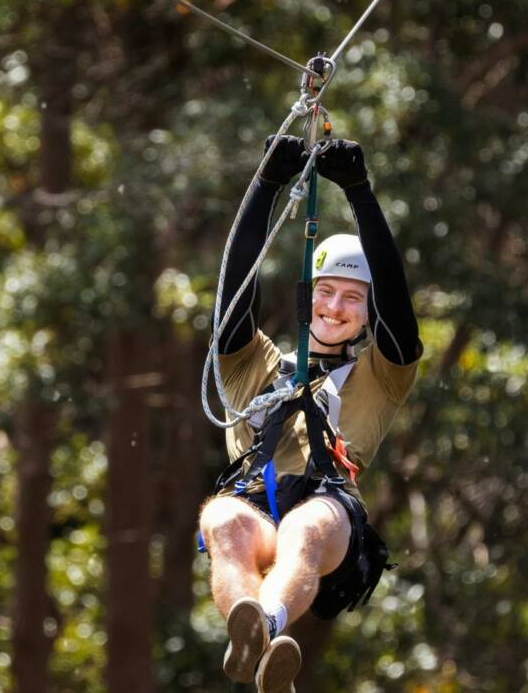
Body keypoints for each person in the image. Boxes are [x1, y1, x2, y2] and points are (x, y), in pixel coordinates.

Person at [199, 135, 424, 692]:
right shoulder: (253, 363)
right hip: (255, 502)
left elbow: (398, 309)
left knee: (306, 525)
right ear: (307, 297)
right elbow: (234, 293)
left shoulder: (382, 374)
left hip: (329, 519)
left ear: (367, 314)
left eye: (353, 298)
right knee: (223, 520)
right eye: (326, 292)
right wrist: (266, 185)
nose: (334, 308)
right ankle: (257, 644)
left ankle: (268, 626)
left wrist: (359, 192)